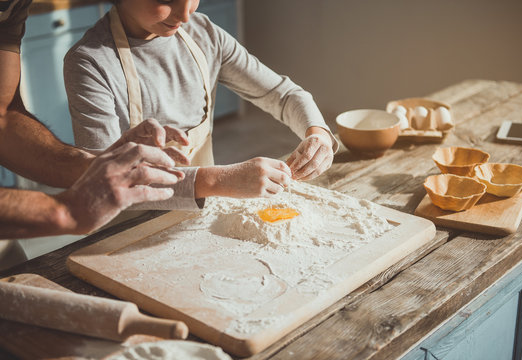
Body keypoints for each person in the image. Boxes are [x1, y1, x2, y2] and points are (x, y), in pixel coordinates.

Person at [64, 0, 338, 210]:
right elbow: (103, 181)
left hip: (203, 212)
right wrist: (220, 181)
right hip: (125, 228)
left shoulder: (203, 33)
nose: (185, 14)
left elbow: (282, 94)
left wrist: (318, 134)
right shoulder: (91, 62)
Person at [0, 0, 192, 270]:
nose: (185, 14)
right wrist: (61, 211)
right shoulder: (89, 57)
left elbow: (4, 116)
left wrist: (95, 164)